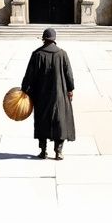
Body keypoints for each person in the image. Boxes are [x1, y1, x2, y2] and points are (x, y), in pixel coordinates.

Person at [21, 28, 75, 160]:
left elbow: (29, 75)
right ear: (54, 39)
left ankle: (43, 151)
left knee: (41, 120)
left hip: (40, 95)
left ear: (43, 39)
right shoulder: (62, 54)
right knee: (60, 121)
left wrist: (24, 89)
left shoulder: (37, 54)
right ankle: (58, 151)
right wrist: (70, 89)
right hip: (59, 95)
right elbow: (69, 75)